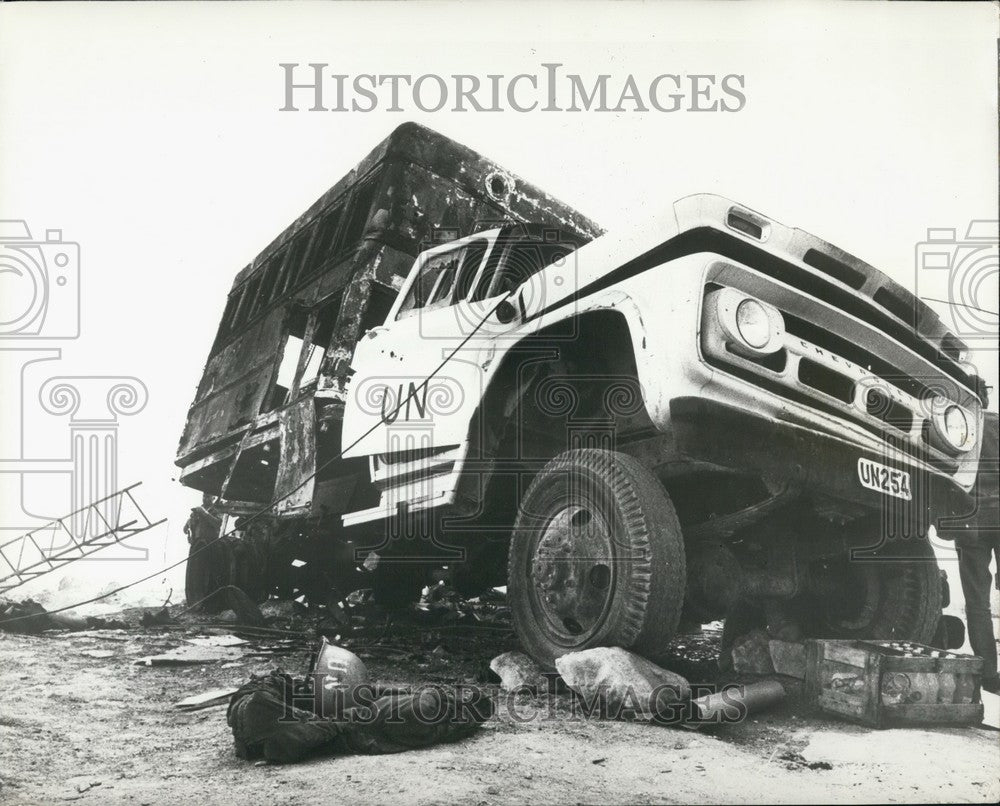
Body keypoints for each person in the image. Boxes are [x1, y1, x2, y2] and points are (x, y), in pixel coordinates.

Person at [955, 410, 999, 693]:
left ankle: (989, 675)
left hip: (970, 517)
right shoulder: (996, 422)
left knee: (977, 602)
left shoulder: (959, 421)